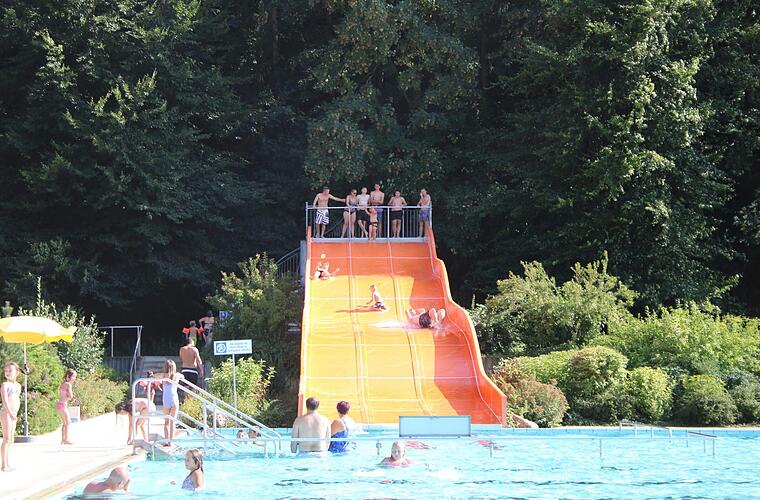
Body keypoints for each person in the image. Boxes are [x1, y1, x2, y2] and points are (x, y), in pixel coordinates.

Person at [152, 360, 184, 444]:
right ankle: (171, 442)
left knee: (166, 423)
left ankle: (166, 440)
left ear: (165, 367)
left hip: (166, 399)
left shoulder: (163, 375)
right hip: (174, 399)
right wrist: (180, 376)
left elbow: (155, 375)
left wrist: (152, 375)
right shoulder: (177, 375)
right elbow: (183, 376)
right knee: (172, 422)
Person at [0, 362, 22, 471]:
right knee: (7, 438)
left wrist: (15, 414)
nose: (7, 372)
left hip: (13, 414)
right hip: (6, 413)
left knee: (11, 439)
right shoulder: (5, 385)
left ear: (17, 372)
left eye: (10, 370)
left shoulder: (18, 386)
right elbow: (5, 401)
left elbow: (16, 400)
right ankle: (4, 465)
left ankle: (7, 464)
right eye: (6, 371)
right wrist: (10, 413)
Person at [57, 368, 77, 445]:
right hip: (63, 404)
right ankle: (66, 439)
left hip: (59, 404)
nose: (74, 378)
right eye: (73, 376)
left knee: (65, 422)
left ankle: (63, 439)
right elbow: (71, 396)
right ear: (69, 376)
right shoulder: (68, 384)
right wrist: (70, 398)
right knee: (68, 422)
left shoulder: (63, 383)